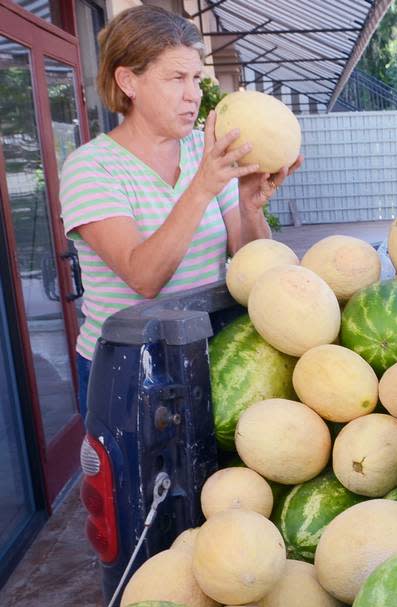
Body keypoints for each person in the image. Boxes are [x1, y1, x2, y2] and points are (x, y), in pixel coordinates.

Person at [59, 5, 300, 419]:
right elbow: (143, 277)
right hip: (132, 367)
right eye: (176, 78)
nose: (194, 94)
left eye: (195, 78)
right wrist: (202, 187)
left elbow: (252, 263)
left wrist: (249, 205)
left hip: (210, 347)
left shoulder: (200, 151)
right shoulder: (91, 167)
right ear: (128, 81)